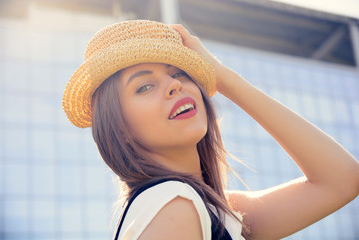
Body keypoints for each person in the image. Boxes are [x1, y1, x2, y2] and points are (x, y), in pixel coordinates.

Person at [62, 20, 359, 240]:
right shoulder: (173, 204)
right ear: (119, 127)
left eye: (179, 72)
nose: (175, 85)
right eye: (144, 86)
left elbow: (342, 180)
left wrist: (224, 78)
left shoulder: (216, 209)